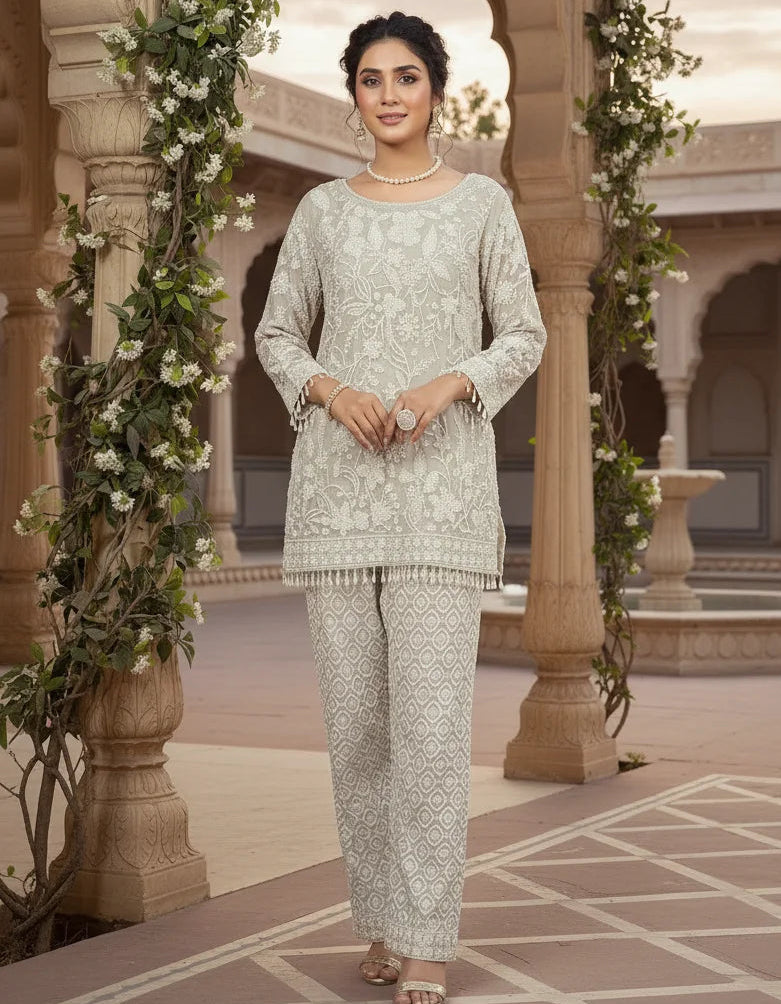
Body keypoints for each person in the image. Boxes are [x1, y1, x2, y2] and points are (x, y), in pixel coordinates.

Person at [254, 11, 547, 1003]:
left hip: (442, 499)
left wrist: (444, 385)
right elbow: (279, 336)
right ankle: (380, 918)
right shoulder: (323, 214)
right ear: (354, 95)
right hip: (338, 501)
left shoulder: (482, 207)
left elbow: (523, 333)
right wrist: (334, 391)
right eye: (370, 78)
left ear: (435, 90)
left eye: (406, 77)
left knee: (428, 728)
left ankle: (428, 936)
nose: (387, 94)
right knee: (358, 730)